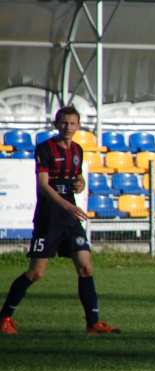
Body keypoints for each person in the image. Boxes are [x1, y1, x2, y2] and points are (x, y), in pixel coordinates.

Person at [0, 106, 120, 335]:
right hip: (49, 216)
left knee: (85, 266)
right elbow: (44, 186)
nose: (68, 127)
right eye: (64, 123)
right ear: (57, 124)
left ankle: (93, 323)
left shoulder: (77, 150)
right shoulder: (45, 149)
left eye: (73, 123)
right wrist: (66, 204)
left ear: (78, 126)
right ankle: (4, 317)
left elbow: (77, 178)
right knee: (36, 272)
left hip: (69, 217)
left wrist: (80, 184)